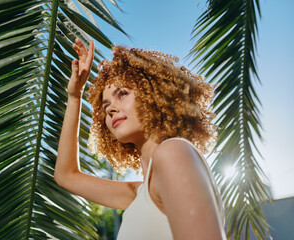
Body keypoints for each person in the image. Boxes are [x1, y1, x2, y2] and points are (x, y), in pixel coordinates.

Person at [54, 38, 225, 240]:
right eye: (105, 105)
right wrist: (75, 95)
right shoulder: (139, 193)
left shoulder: (173, 152)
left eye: (123, 94)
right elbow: (66, 176)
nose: (110, 109)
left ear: (154, 94)